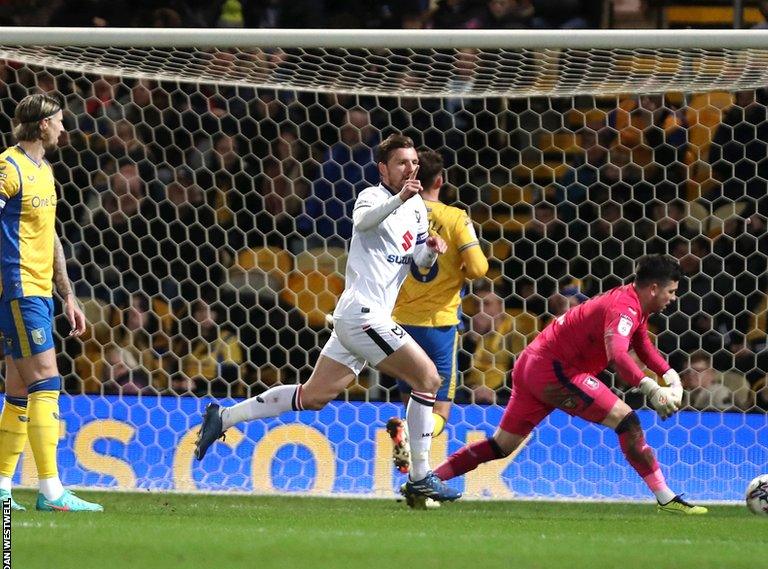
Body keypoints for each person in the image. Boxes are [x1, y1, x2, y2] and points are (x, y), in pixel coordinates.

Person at [194, 133, 461, 502]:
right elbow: (365, 223)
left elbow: (417, 264)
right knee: (428, 378)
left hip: (364, 317)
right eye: (402, 162)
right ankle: (420, 475)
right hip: (363, 313)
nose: (410, 168)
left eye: (414, 163)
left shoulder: (418, 211)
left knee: (315, 395)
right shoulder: (373, 197)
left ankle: (223, 418)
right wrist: (400, 198)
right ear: (384, 168)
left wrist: (431, 250)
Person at [418, 255, 707, 515]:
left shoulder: (632, 302)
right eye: (671, 292)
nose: (672, 298)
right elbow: (618, 354)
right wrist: (652, 389)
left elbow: (641, 343)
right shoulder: (624, 308)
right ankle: (665, 497)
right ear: (654, 288)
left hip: (532, 364)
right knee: (627, 421)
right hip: (555, 371)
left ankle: (427, 481)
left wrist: (671, 378)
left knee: (501, 445)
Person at [0, 93, 102, 512]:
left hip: (41, 291)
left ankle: (2, 488)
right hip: (19, 289)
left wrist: (68, 294)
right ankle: (51, 491)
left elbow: (51, 236)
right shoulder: (8, 167)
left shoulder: (44, 171)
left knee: (19, 391)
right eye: (59, 121)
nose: (64, 127)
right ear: (43, 125)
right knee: (47, 382)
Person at [386, 148, 488, 474]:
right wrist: (455, 262)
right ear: (440, 180)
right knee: (438, 411)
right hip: (439, 326)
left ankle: (418, 477)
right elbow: (478, 268)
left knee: (412, 407)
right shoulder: (455, 217)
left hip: (399, 323)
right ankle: (418, 467)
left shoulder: (397, 214)